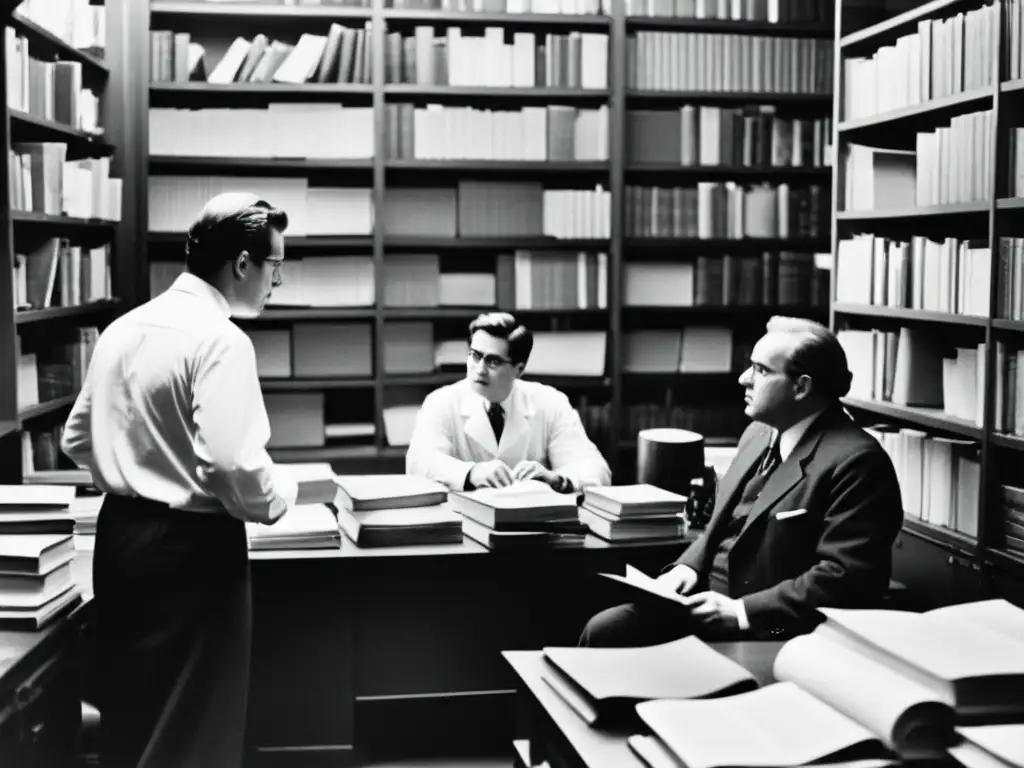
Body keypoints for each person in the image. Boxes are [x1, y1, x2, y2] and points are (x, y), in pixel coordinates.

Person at [60, 192, 297, 768]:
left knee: (131, 718)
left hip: (119, 541)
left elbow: (74, 436)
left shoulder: (122, 327)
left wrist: (132, 471)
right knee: (195, 727)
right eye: (275, 268)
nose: (276, 283)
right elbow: (228, 464)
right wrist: (277, 497)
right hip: (193, 552)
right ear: (243, 264)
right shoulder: (221, 339)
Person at [580, 316, 904, 646]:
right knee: (602, 630)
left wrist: (742, 612)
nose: (743, 378)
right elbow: (719, 528)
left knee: (613, 641)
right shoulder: (758, 434)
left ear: (802, 387)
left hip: (773, 629)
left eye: (761, 370)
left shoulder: (858, 462)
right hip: (702, 604)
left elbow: (846, 578)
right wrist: (686, 570)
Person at [406, 312, 611, 492]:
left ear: (518, 370)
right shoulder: (441, 402)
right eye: (475, 356)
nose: (480, 369)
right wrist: (471, 473)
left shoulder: (550, 402)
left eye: (493, 361)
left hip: (534, 525)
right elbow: (419, 462)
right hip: (463, 525)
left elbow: (596, 469)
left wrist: (556, 480)